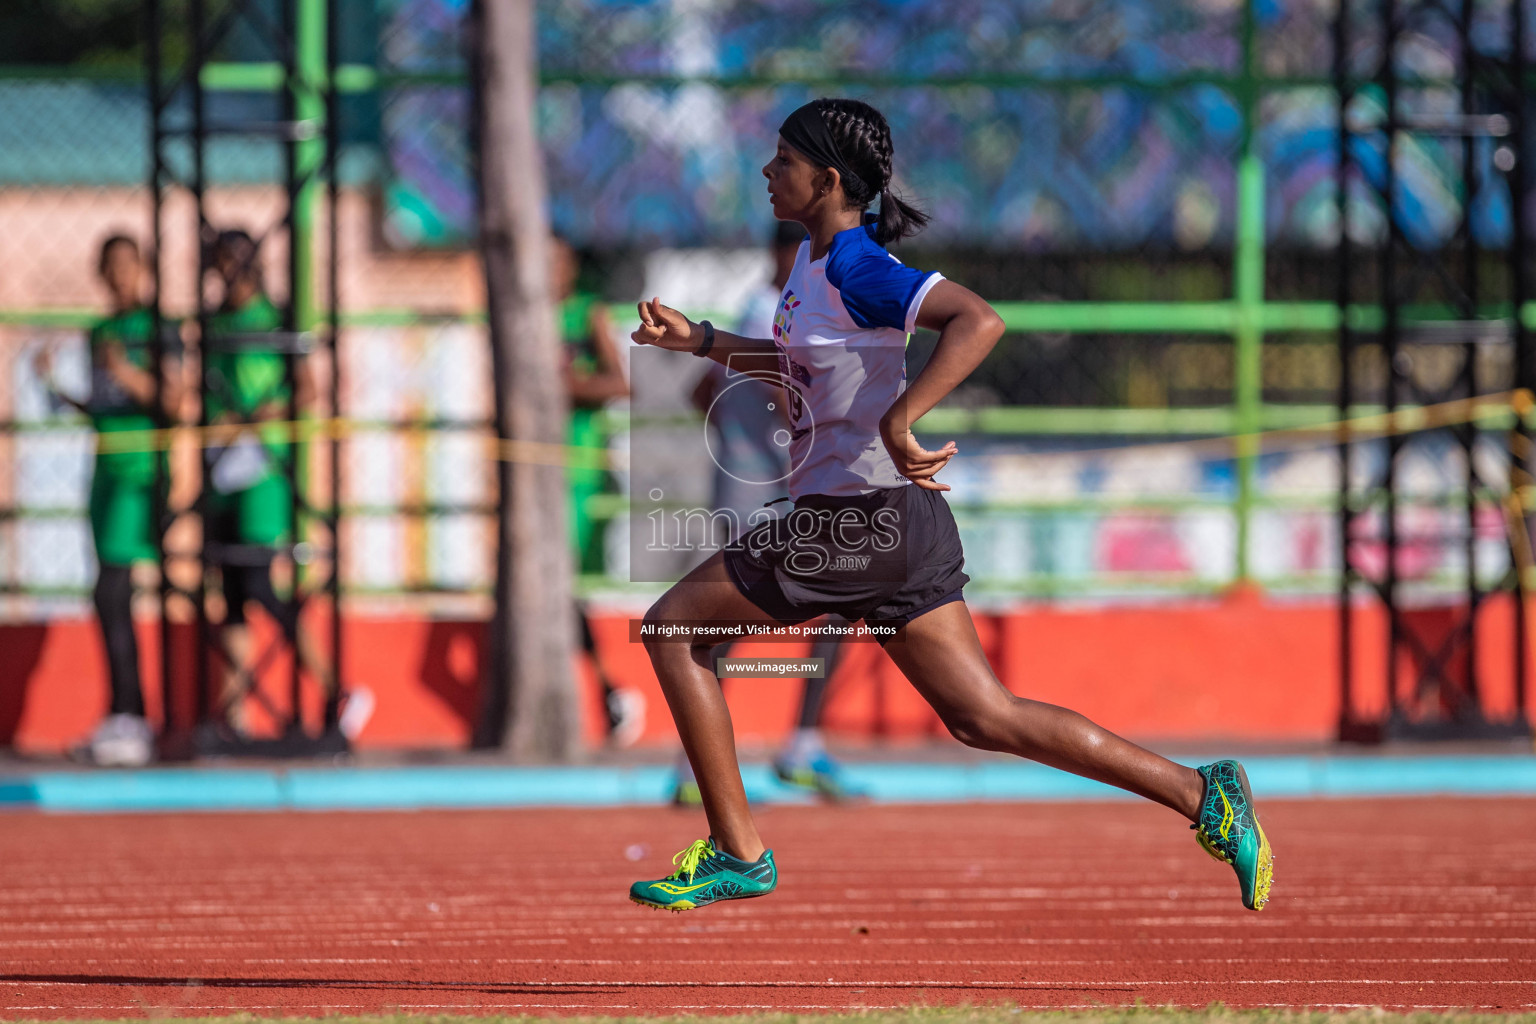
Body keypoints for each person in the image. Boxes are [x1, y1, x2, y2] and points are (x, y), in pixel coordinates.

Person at [626, 98, 1273, 913]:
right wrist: (707, 341)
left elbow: (978, 319)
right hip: (895, 524)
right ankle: (1200, 791)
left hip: (852, 523)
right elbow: (801, 368)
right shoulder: (811, 263)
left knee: (675, 631)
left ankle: (736, 849)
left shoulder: (860, 266)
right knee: (983, 715)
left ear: (828, 181)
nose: (766, 170)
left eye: (783, 160)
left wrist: (902, 417)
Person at [671, 220, 853, 804]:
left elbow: (703, 389)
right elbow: (788, 394)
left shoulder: (767, 309)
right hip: (766, 498)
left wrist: (738, 436)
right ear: (788, 255)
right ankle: (696, 763)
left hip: (775, 492)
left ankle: (797, 744)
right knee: (743, 620)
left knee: (836, 607)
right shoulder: (770, 310)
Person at [203, 229, 371, 740]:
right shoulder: (213, 325)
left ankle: (336, 688)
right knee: (229, 591)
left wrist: (252, 419)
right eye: (221, 265)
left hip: (262, 468)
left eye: (237, 264)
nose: (228, 275)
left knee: (259, 583)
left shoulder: (275, 322)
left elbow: (308, 391)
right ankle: (235, 712)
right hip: (218, 467)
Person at [38, 234, 183, 767]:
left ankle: (133, 714)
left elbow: (173, 400)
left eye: (129, 265)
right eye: (112, 266)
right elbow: (103, 407)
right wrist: (55, 388)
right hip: (102, 469)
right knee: (104, 593)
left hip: (140, 471)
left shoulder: (160, 330)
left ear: (143, 269)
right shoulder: (99, 331)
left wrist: (125, 369)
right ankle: (123, 713)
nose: (121, 276)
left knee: (115, 589)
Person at [552, 235, 646, 747]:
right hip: (532, 471)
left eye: (556, 260)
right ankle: (607, 691)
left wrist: (561, 387)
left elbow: (618, 382)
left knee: (563, 584)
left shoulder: (585, 316)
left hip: (578, 470)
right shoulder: (521, 318)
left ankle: (610, 690)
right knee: (552, 586)